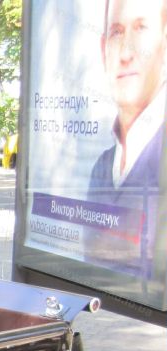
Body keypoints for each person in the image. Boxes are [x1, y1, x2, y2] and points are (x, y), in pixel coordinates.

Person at [86, 0, 167, 277]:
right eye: (116, 32)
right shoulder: (101, 168)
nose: (125, 53)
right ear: (103, 50)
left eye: (141, 28)